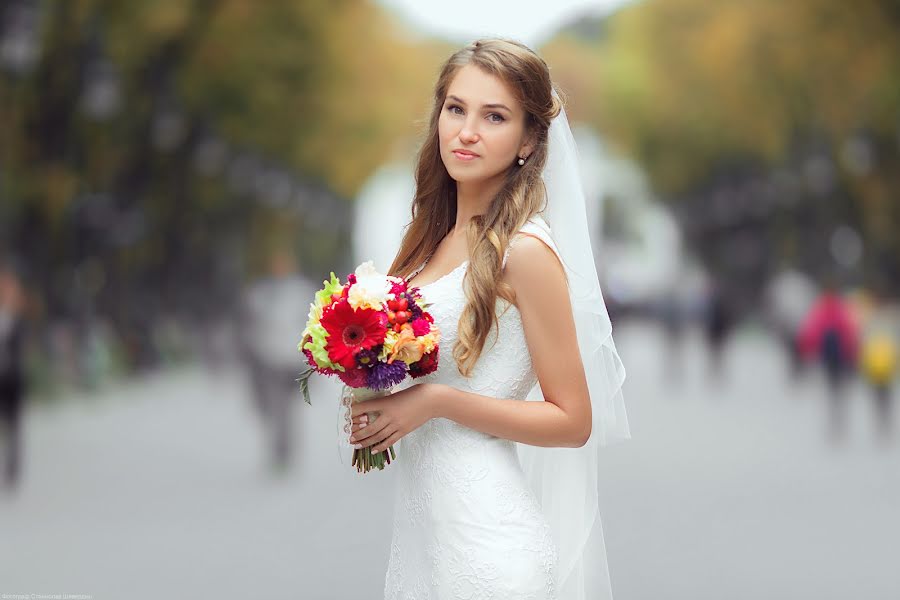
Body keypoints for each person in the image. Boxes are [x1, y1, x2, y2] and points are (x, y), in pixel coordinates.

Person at [344, 39, 629, 599]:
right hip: (423, 543)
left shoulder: (524, 253)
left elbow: (574, 421)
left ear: (527, 140)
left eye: (493, 116)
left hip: (490, 553)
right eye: (456, 108)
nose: (466, 131)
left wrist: (435, 403)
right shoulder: (428, 243)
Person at [238, 250, 316, 473]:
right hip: (266, 358)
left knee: (285, 409)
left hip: (291, 360)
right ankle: (277, 450)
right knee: (271, 407)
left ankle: (283, 452)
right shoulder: (260, 292)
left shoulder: (301, 291)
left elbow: (312, 326)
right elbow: (248, 324)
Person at [0, 258, 27, 491]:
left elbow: (20, 350)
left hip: (13, 380)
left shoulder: (18, 319)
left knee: (13, 427)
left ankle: (12, 469)